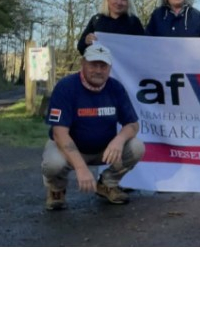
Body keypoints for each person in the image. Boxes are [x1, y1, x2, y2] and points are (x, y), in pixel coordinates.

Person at [42, 44, 145, 211]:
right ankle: (56, 190)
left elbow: (133, 124)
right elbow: (59, 133)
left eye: (103, 66)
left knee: (136, 147)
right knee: (54, 163)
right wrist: (81, 168)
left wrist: (119, 139)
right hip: (70, 149)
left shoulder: (116, 88)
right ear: (83, 63)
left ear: (109, 68)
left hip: (103, 150)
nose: (98, 70)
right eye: (93, 65)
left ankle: (107, 184)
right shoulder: (66, 87)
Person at [77, 0, 145, 55]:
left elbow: (143, 48)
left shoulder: (133, 22)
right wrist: (86, 41)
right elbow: (80, 47)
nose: (119, 2)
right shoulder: (96, 20)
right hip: (100, 61)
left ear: (128, 2)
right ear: (107, 0)